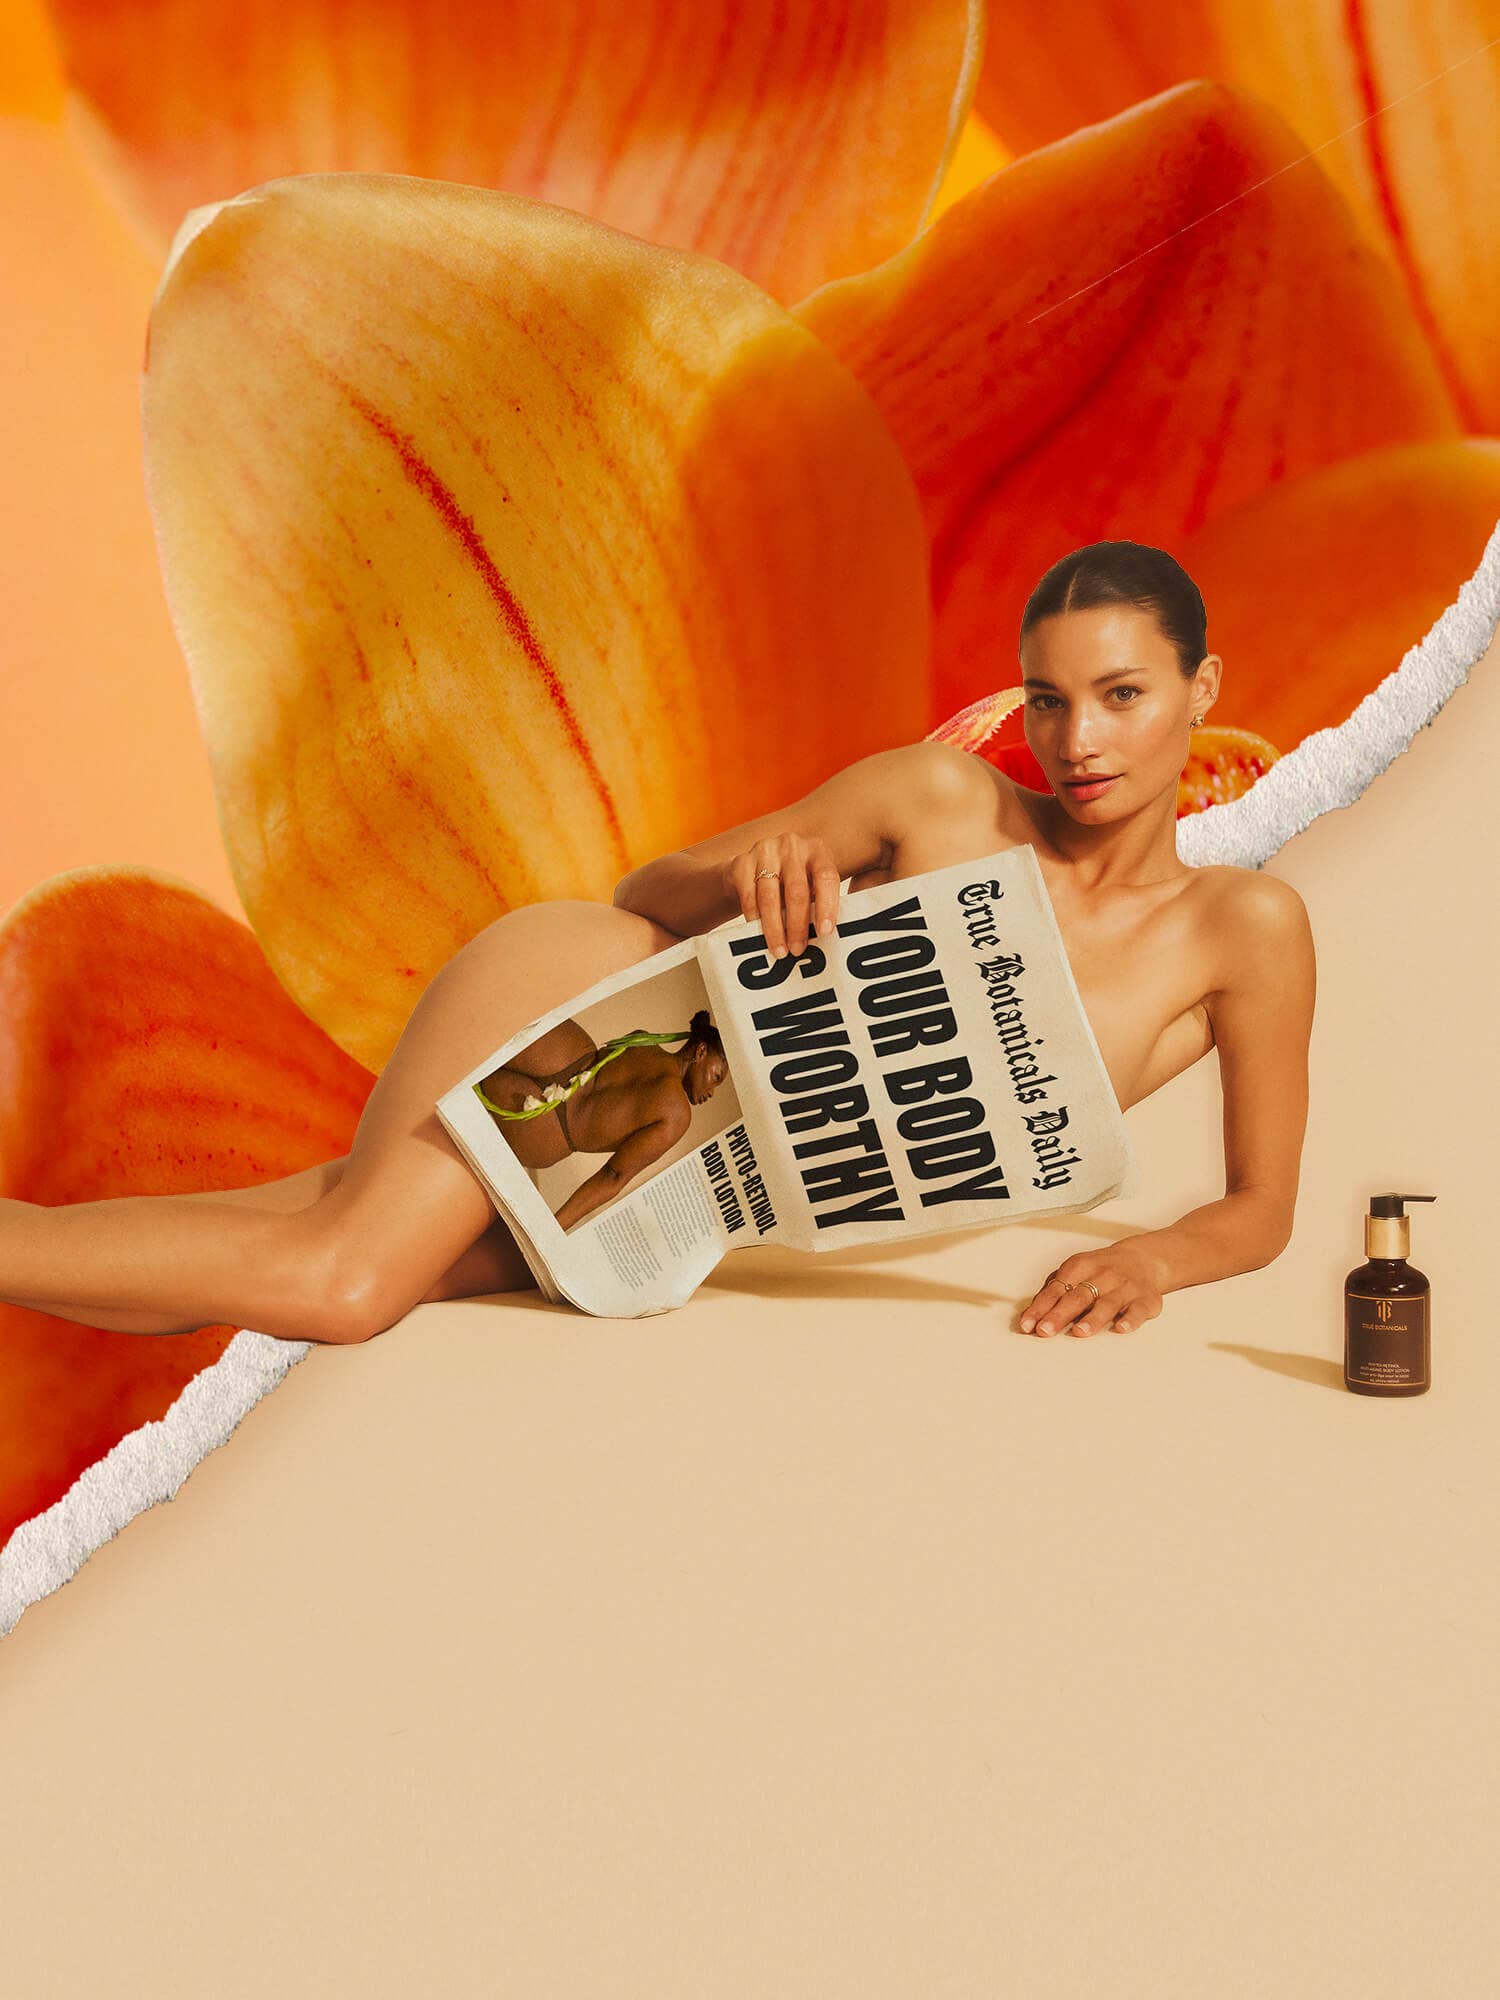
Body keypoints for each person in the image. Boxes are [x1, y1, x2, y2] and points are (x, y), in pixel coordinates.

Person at [0, 540, 1313, 1347]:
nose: (1079, 740)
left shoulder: (1244, 935)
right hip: (598, 1004)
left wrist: (1148, 1259)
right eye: (1050, 700)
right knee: (344, 1280)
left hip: (680, 1188)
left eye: (1124, 697)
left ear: (1204, 694)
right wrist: (759, 873)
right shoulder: (941, 797)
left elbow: (1261, 1210)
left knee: (265, 1250)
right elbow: (650, 892)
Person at [474, 1010, 730, 1230]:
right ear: (701, 1051)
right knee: (463, 1079)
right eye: (716, 1077)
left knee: (473, 1043)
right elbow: (613, 1176)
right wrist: (553, 1229)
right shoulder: (677, 1115)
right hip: (553, 1129)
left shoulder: (644, 1040)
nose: (711, 1092)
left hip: (567, 1059)